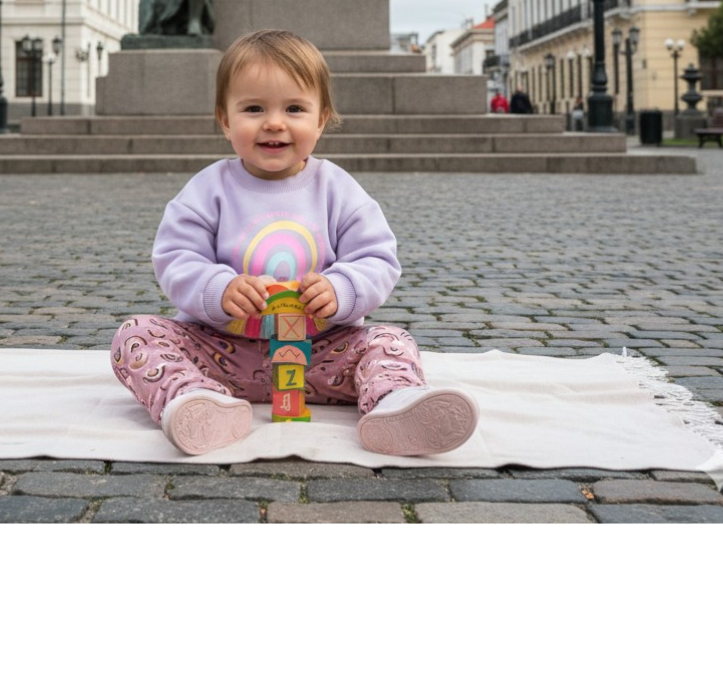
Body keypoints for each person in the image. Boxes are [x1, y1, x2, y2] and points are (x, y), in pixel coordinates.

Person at [111, 29, 480, 457]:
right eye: (253, 108)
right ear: (225, 119)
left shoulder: (336, 188)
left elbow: (377, 257)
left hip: (321, 355)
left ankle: (393, 403)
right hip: (219, 352)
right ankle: (194, 401)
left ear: (321, 119)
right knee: (135, 335)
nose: (273, 122)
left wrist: (340, 289)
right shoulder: (208, 188)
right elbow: (176, 257)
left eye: (294, 108)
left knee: (391, 342)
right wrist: (219, 288)